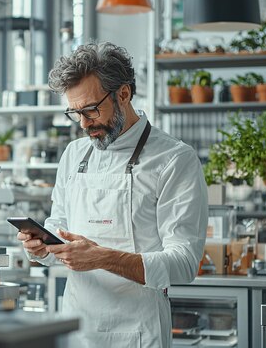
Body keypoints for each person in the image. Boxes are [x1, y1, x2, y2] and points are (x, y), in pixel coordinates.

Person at [17, 42, 208, 348]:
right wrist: (41, 246)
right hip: (77, 330)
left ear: (123, 94)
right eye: (75, 112)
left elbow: (184, 264)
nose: (83, 123)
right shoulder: (74, 154)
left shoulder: (174, 159)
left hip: (138, 333)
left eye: (91, 109)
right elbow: (60, 226)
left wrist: (103, 258)